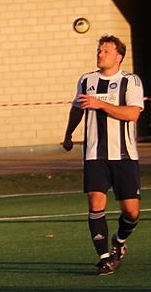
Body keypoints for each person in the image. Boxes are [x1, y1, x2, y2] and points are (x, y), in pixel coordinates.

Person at [61, 35, 143, 275]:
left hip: (125, 156)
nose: (100, 54)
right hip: (95, 154)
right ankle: (104, 258)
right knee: (96, 201)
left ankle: (119, 241)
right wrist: (68, 134)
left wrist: (101, 104)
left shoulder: (130, 81)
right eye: (99, 50)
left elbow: (132, 114)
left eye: (106, 51)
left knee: (132, 212)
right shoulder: (87, 80)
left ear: (119, 57)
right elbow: (77, 109)